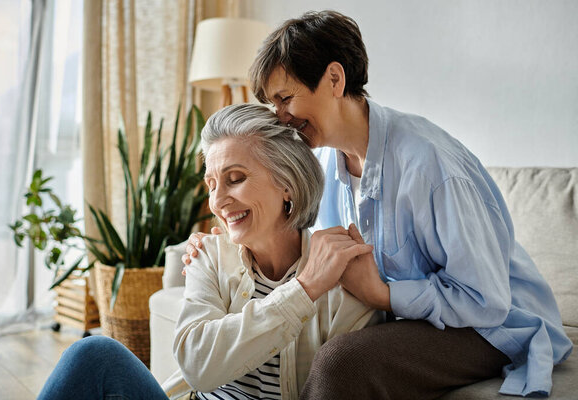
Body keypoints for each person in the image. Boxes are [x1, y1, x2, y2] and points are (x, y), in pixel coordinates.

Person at [183, 10, 573, 399]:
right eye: (273, 104)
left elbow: (485, 301)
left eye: (285, 99)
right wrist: (222, 245)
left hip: (491, 326)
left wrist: (384, 296)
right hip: (418, 320)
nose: (280, 118)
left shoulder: (429, 167)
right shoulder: (322, 160)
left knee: (343, 362)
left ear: (334, 79)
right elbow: (288, 229)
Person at [37, 103, 381, 400]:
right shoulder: (211, 254)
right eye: (212, 184)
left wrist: (313, 287)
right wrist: (302, 291)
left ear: (287, 185)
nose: (217, 201)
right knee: (95, 353)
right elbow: (196, 364)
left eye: (235, 178)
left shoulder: (340, 279)